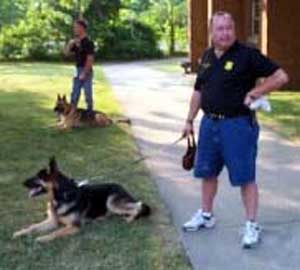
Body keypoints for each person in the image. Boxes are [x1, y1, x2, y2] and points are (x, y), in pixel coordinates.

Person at [182, 11, 289, 248]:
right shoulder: (207, 56)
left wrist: (256, 92)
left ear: (234, 30)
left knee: (245, 177)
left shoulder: (247, 55)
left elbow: (281, 76)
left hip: (238, 126)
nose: (225, 32)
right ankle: (206, 215)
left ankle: (251, 224)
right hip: (209, 124)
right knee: (207, 173)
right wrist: (189, 120)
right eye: (219, 28)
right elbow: (198, 91)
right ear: (212, 32)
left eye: (229, 27)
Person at [64, 19, 95, 113]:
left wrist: (84, 73)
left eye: (76, 27)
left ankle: (90, 114)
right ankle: (71, 114)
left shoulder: (89, 42)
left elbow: (90, 59)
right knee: (75, 94)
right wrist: (69, 45)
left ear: (82, 28)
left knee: (88, 94)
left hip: (86, 70)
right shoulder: (75, 42)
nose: (74, 29)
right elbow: (66, 54)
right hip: (77, 69)